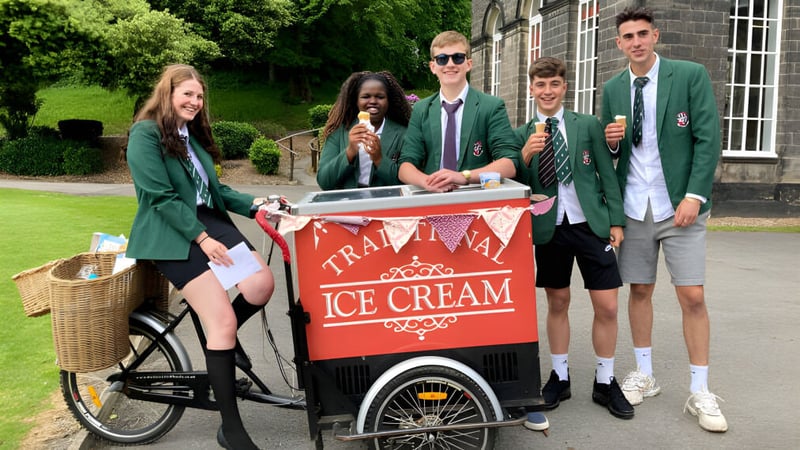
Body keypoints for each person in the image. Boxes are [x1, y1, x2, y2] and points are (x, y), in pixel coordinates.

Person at [125, 64, 274, 449]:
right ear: (168, 93)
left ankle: (225, 339)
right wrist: (202, 238)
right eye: (187, 94)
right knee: (221, 320)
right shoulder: (146, 133)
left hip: (205, 220)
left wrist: (258, 206)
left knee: (259, 285)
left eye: (200, 96)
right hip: (171, 233)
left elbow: (217, 191)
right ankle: (231, 429)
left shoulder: (190, 136)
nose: (195, 101)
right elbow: (159, 197)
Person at [602, 7, 726, 432]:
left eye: (642, 34)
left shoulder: (688, 75)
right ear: (619, 43)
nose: (635, 41)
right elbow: (611, 154)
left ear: (655, 36)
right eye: (627, 36)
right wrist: (612, 145)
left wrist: (694, 194)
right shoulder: (613, 88)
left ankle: (701, 389)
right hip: (635, 206)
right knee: (640, 290)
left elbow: (707, 137)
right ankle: (644, 374)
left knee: (692, 295)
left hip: (680, 206)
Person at [515, 57, 631, 423]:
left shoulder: (587, 125)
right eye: (540, 85)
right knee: (558, 301)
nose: (547, 91)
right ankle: (560, 376)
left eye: (554, 84)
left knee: (608, 305)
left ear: (564, 87)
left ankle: (605, 379)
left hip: (590, 224)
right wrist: (524, 156)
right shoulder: (523, 134)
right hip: (550, 227)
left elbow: (606, 173)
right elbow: (513, 181)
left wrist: (616, 219)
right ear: (531, 89)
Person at [398, 30, 518, 192]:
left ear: (468, 64)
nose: (450, 64)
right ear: (433, 67)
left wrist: (464, 176)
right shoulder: (421, 109)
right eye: (442, 59)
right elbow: (405, 165)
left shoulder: (491, 106)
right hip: (432, 198)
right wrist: (428, 182)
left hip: (476, 200)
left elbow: (509, 163)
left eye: (458, 57)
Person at [316, 71, 412, 190]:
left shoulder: (404, 134)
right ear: (356, 100)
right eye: (365, 97)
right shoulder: (339, 132)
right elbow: (324, 182)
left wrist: (379, 159)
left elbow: (406, 185)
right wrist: (350, 151)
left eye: (380, 97)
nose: (372, 101)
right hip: (347, 204)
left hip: (386, 203)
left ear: (388, 101)